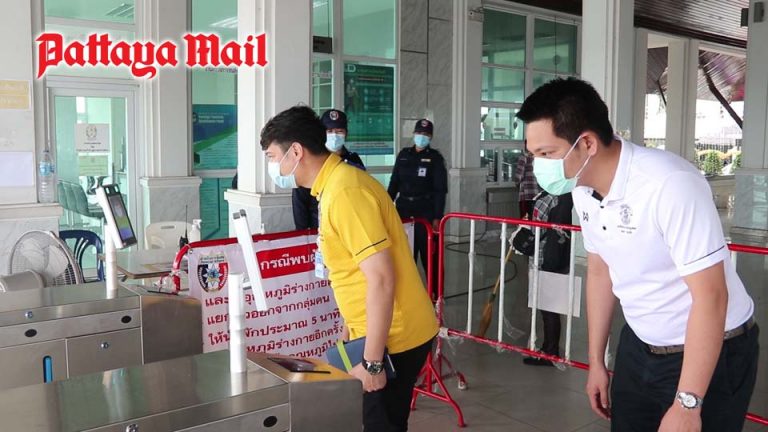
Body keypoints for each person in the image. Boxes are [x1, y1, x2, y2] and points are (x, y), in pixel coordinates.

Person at [517, 77, 757, 431]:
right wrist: (596, 362)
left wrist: (688, 402)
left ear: (587, 143)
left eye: (547, 154)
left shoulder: (670, 184)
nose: (539, 165)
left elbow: (711, 296)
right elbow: (600, 271)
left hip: (712, 349)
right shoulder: (582, 187)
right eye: (534, 154)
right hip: (640, 343)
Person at [260, 106, 438, 431]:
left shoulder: (345, 192)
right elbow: (353, 272)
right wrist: (349, 331)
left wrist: (372, 363)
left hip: (395, 338)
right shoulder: (334, 186)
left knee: (379, 424)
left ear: (296, 152)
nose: (273, 167)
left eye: (273, 157)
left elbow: (381, 278)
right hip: (375, 332)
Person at [512, 190, 573, 366]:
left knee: (547, 309)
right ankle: (549, 349)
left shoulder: (546, 199)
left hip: (544, 258)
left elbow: (535, 230)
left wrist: (519, 234)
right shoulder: (565, 197)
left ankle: (550, 352)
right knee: (551, 308)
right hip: (558, 257)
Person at [388, 119, 448, 290]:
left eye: (426, 134)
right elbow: (394, 183)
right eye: (419, 133)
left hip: (425, 212)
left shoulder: (435, 158)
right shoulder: (404, 154)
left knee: (430, 256)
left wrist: (437, 217)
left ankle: (435, 295)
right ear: (414, 134)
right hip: (404, 210)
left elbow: (440, 190)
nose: (422, 137)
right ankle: (408, 293)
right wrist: (386, 206)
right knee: (405, 256)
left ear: (431, 137)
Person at [292, 109, 365, 230]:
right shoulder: (311, 161)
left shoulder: (354, 160)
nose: (334, 135)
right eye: (329, 131)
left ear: (346, 133)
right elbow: (300, 201)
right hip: (319, 229)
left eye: (339, 131)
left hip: (348, 227)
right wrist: (303, 233)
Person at [513, 150, 542, 219]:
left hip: (526, 193)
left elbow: (519, 176)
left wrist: (516, 183)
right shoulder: (539, 157)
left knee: (525, 219)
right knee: (535, 218)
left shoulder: (524, 157)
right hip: (538, 194)